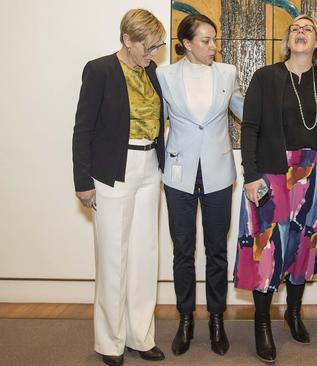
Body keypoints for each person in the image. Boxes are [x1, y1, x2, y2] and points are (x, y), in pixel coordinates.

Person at [233, 14, 317, 363]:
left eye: (308, 29)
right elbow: (249, 128)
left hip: (312, 172)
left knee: (303, 244)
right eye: (295, 29)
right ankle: (262, 324)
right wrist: (250, 175)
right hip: (271, 173)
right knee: (267, 248)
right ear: (287, 40)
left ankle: (293, 312)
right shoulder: (266, 77)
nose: (300, 33)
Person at [72, 8, 167, 366]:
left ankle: (140, 336)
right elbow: (82, 129)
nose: (153, 53)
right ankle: (110, 342)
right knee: (113, 257)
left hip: (149, 167)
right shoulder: (99, 70)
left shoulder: (153, 72)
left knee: (145, 255)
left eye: (156, 46)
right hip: (113, 170)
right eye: (148, 46)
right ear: (127, 40)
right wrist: (83, 180)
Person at [156, 13, 244, 357]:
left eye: (214, 39)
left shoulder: (227, 73)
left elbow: (246, 112)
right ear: (187, 43)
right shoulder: (164, 75)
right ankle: (185, 319)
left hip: (219, 173)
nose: (213, 46)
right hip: (178, 175)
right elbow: (155, 121)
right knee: (183, 251)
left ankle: (217, 320)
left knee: (217, 251)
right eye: (205, 40)